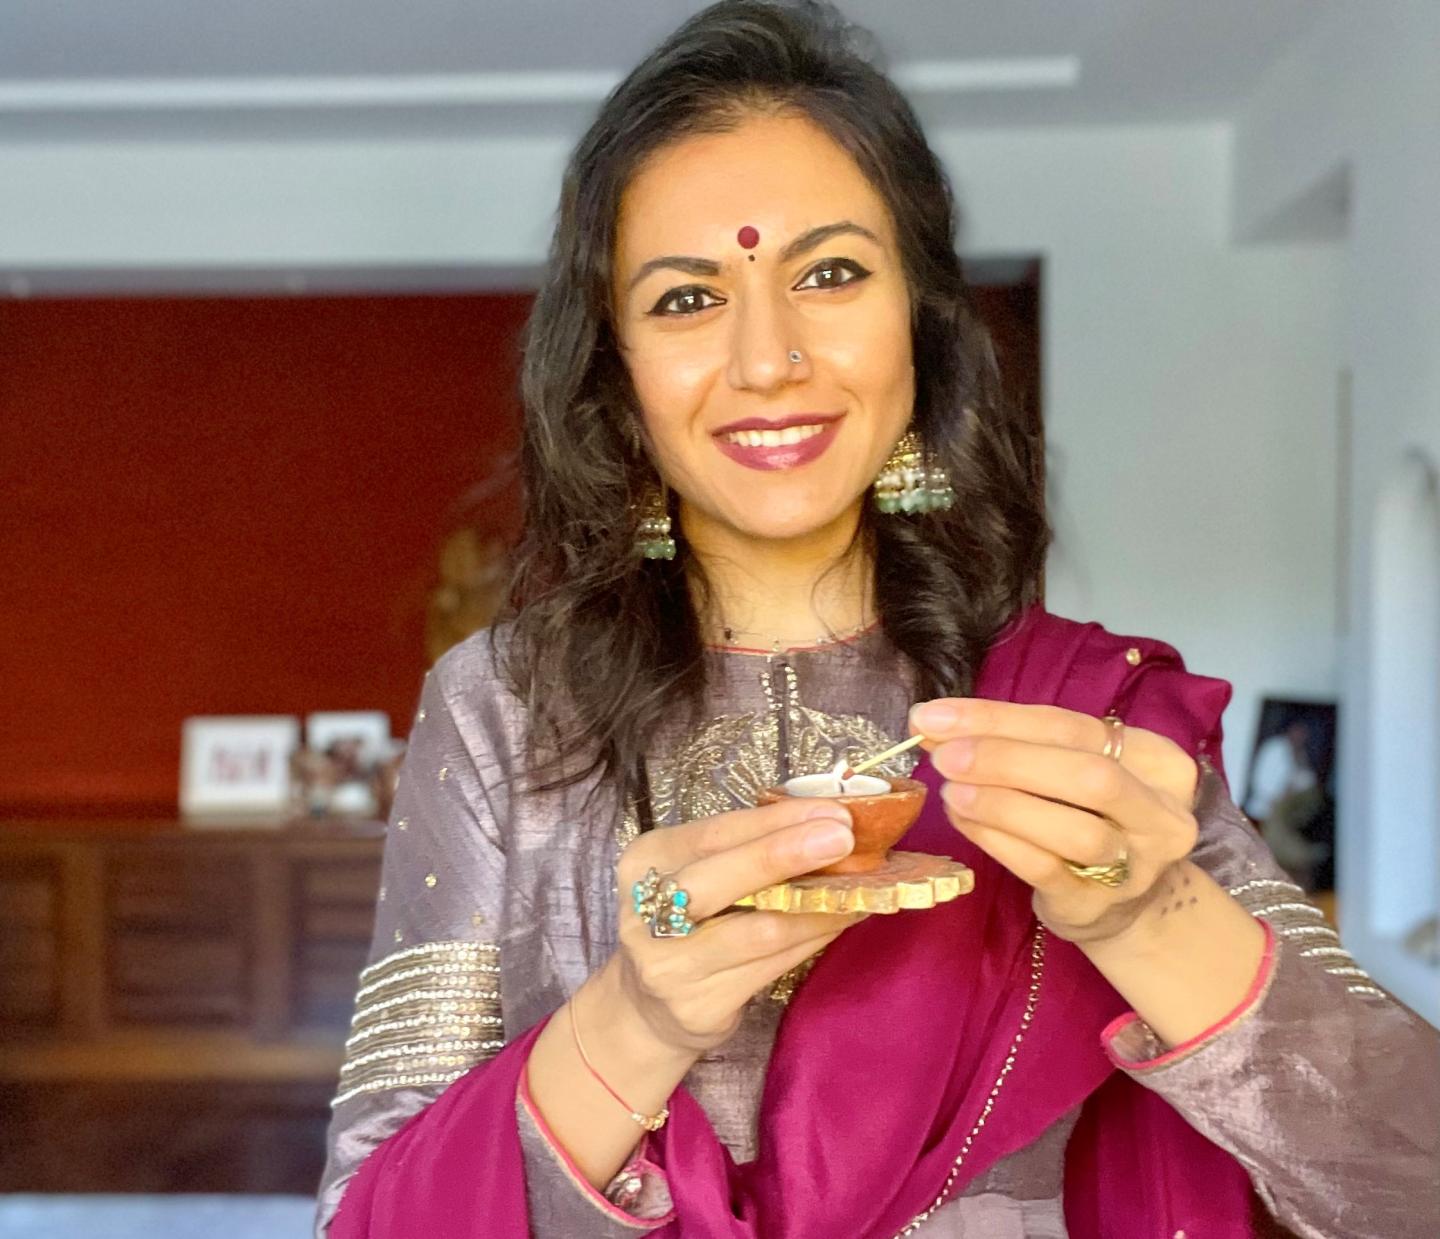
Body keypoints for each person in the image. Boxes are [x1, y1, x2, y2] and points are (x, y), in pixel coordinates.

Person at [316, 3, 1439, 1235]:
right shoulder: (503, 711)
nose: (768, 358)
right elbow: (374, 1215)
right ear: (617, 378)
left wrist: (1143, 917)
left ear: (921, 323)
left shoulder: (1083, 720)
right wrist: (636, 1020)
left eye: (832, 273)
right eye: (688, 299)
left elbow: (1410, 1178)